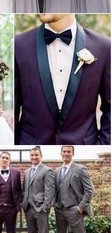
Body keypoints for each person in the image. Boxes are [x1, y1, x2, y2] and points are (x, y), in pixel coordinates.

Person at [15, 13, 111, 145]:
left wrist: (103, 146)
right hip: (30, 145)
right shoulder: (19, 45)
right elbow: (14, 106)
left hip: (84, 146)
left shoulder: (104, 47)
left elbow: (109, 106)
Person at [55, 146, 94, 233]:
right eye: (64, 151)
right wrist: (54, 203)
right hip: (59, 209)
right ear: (61, 154)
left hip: (74, 209)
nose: (66, 154)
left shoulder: (80, 169)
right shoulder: (57, 171)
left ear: (73, 154)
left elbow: (90, 190)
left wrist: (81, 207)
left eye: (69, 151)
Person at [22, 147, 55, 233]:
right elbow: (25, 189)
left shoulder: (47, 170)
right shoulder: (27, 171)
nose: (34, 157)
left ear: (41, 156)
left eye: (36, 155)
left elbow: (50, 191)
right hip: (28, 209)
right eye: (32, 155)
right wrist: (24, 202)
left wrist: (45, 207)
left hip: (41, 208)